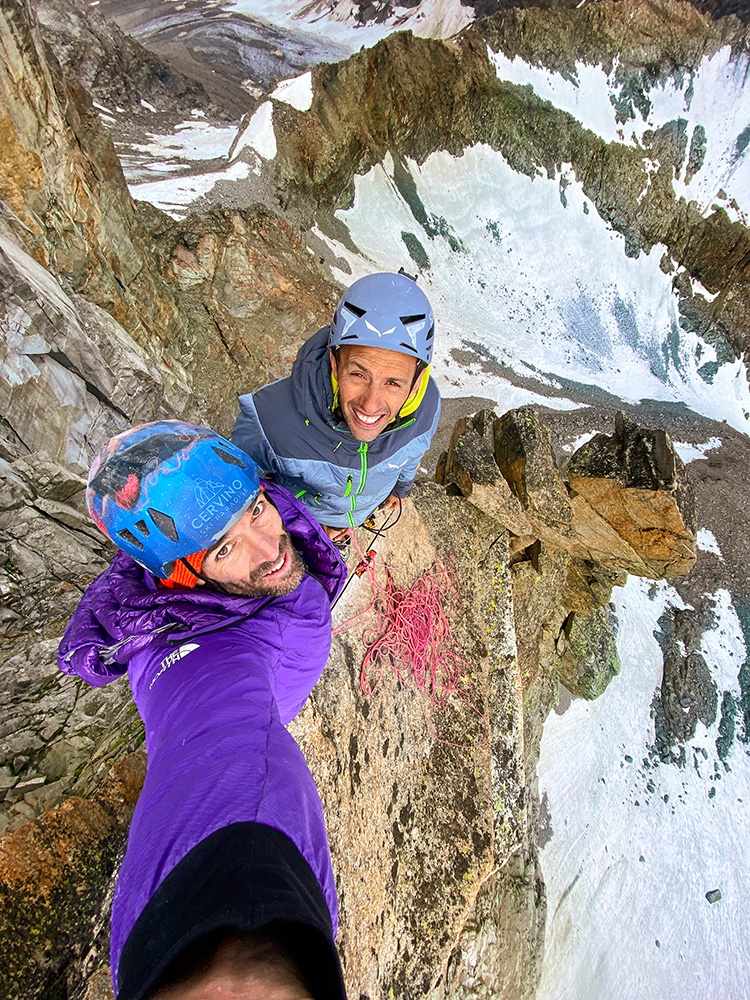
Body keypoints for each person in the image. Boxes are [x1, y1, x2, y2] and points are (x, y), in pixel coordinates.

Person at [57, 420, 348, 1000]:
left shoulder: (234, 551)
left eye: (257, 511)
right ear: (184, 573)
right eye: (224, 547)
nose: (269, 548)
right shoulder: (205, 661)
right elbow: (224, 739)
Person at [232, 270, 441, 541]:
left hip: (358, 515)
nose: (371, 404)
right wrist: (302, 528)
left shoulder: (427, 408)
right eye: (358, 375)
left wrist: (401, 490)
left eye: (393, 383)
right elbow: (235, 493)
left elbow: (411, 455)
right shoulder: (270, 419)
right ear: (334, 362)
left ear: (417, 382)